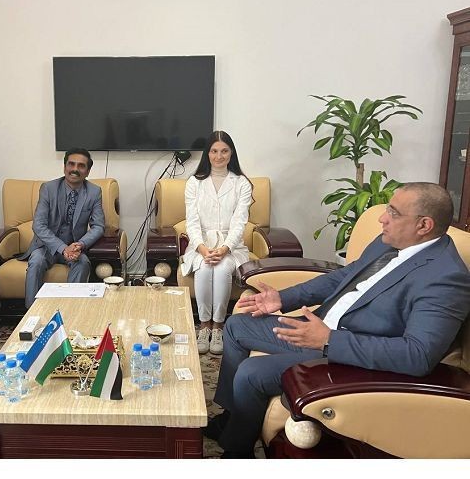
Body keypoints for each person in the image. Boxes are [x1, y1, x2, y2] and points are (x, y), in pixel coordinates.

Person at [206, 182, 470, 458]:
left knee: (252, 373)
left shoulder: (444, 278)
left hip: (349, 354)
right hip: (320, 330)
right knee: (237, 324)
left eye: (393, 212)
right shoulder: (391, 243)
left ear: (424, 225)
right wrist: (283, 299)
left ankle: (237, 453)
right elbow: (343, 277)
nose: (382, 218)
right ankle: (233, 417)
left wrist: (329, 340)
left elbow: (418, 355)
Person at [182, 131, 253, 355]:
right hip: (201, 244)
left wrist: (224, 249)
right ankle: (204, 326)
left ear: (231, 153)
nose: (219, 156)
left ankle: (218, 327)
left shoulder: (242, 183)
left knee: (222, 269)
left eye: (224, 151)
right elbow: (191, 222)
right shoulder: (194, 182)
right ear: (207, 153)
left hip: (231, 246)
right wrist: (203, 249)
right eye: (214, 151)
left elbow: (240, 223)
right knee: (204, 268)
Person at [22, 148, 105, 307]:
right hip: (46, 246)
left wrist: (80, 244)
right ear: (64, 167)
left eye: (81, 166)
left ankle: (71, 310)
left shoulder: (94, 192)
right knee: (36, 261)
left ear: (88, 171)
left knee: (83, 263)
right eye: (71, 164)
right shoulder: (48, 188)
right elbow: (38, 225)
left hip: (75, 247)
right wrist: (62, 248)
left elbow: (98, 226)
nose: (75, 169)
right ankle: (31, 312)